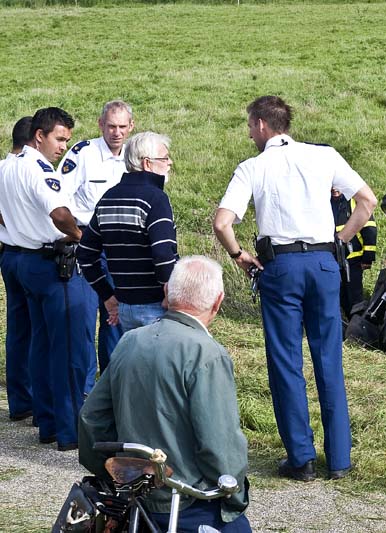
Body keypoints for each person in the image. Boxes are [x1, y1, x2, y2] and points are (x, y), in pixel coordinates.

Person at [213, 95, 377, 481]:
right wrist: (341, 239)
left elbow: (223, 222)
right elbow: (367, 201)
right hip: (324, 263)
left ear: (262, 126)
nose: (250, 132)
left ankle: (300, 458)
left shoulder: (253, 166)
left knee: (286, 362)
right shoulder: (324, 156)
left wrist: (239, 256)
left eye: (250, 126)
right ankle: (339, 459)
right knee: (329, 360)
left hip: (281, 266)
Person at [78, 256, 251, 532]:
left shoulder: (129, 340)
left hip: (136, 500)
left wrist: (112, 474)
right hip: (187, 502)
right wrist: (235, 495)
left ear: (167, 292)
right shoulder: (208, 354)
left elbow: (91, 419)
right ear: (218, 302)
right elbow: (220, 446)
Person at [0, 107, 95, 451]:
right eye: (59, 139)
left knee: (39, 343)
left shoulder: (10, 166)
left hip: (23, 257)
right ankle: (70, 430)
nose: (62, 147)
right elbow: (58, 212)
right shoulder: (39, 170)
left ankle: (46, 421)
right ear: (39, 135)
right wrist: (81, 236)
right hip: (52, 263)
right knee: (69, 349)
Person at [57, 100, 133, 376]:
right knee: (84, 320)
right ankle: (86, 391)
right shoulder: (83, 154)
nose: (116, 132)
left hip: (122, 245)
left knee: (117, 318)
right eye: (111, 126)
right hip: (88, 243)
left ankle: (112, 385)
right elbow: (59, 197)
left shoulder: (135, 156)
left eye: (122, 126)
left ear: (131, 127)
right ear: (100, 124)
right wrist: (76, 236)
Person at [77, 131, 178, 333]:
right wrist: (171, 293)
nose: (170, 163)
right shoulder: (155, 198)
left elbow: (85, 253)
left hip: (124, 307)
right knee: (159, 364)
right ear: (147, 163)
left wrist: (106, 295)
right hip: (156, 306)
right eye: (165, 158)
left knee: (131, 363)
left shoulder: (108, 197)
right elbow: (162, 254)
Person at [0, 115, 34, 423]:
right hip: (29, 253)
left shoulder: (1, 168)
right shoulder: (26, 169)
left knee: (17, 328)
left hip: (7, 253)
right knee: (38, 328)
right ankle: (35, 397)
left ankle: (19, 399)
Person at [331, 187, 377, 318]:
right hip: (335, 259)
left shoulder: (355, 202)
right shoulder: (326, 203)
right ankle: (347, 322)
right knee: (341, 293)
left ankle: (358, 324)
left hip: (354, 259)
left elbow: (370, 230)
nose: (334, 190)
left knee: (354, 293)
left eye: (337, 187)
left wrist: (367, 257)